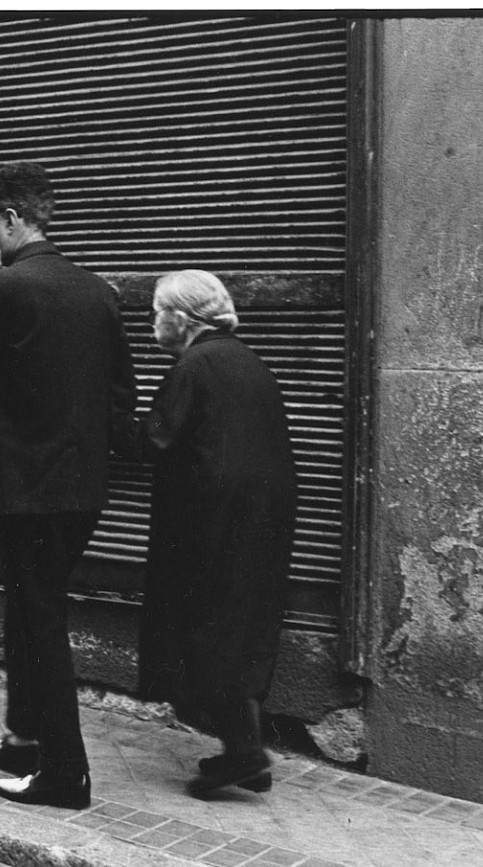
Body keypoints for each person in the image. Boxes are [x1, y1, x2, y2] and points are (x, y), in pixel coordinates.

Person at [0, 161, 136, 809]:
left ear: (12, 219)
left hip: (26, 488)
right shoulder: (96, 289)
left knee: (40, 617)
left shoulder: (2, 290)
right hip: (82, 487)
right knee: (30, 606)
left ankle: (64, 775)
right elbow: (120, 397)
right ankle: (24, 736)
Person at [116, 269, 297, 798]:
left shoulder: (194, 366)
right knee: (237, 627)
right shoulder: (247, 360)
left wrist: (109, 420)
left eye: (155, 312)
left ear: (180, 317)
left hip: (212, 522)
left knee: (206, 626)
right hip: (260, 520)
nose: (153, 322)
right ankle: (245, 752)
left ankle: (242, 754)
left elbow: (155, 441)